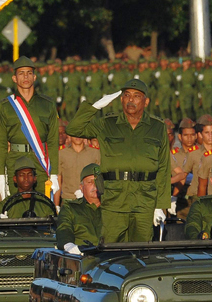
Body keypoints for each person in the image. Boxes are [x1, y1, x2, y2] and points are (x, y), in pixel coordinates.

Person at [67, 79, 171, 243]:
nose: (131, 100)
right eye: (127, 95)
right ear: (121, 99)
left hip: (145, 200)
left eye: (137, 96)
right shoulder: (106, 124)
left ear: (146, 101)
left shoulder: (157, 127)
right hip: (114, 199)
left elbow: (164, 168)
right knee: (111, 248)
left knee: (142, 249)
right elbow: (73, 128)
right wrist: (95, 107)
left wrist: (160, 205)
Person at [0, 56, 60, 199]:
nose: (25, 76)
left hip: (40, 161)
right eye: (21, 73)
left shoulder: (47, 105)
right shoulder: (5, 106)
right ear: (14, 78)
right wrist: (0, 174)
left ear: (34, 77)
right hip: (15, 161)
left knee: (43, 207)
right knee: (16, 208)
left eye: (29, 73)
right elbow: (0, 144)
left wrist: (54, 172)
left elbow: (54, 141)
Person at [56, 163, 104, 254]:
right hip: (82, 258)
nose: (95, 186)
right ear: (81, 187)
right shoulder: (70, 208)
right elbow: (64, 229)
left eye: (98, 181)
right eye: (90, 182)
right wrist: (68, 245)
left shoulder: (112, 208)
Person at [57, 131, 100, 204]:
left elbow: (100, 178)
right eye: (75, 134)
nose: (78, 137)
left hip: (89, 200)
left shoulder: (95, 153)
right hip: (68, 199)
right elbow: (58, 181)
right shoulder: (61, 154)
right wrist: (56, 205)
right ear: (69, 136)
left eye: (80, 133)